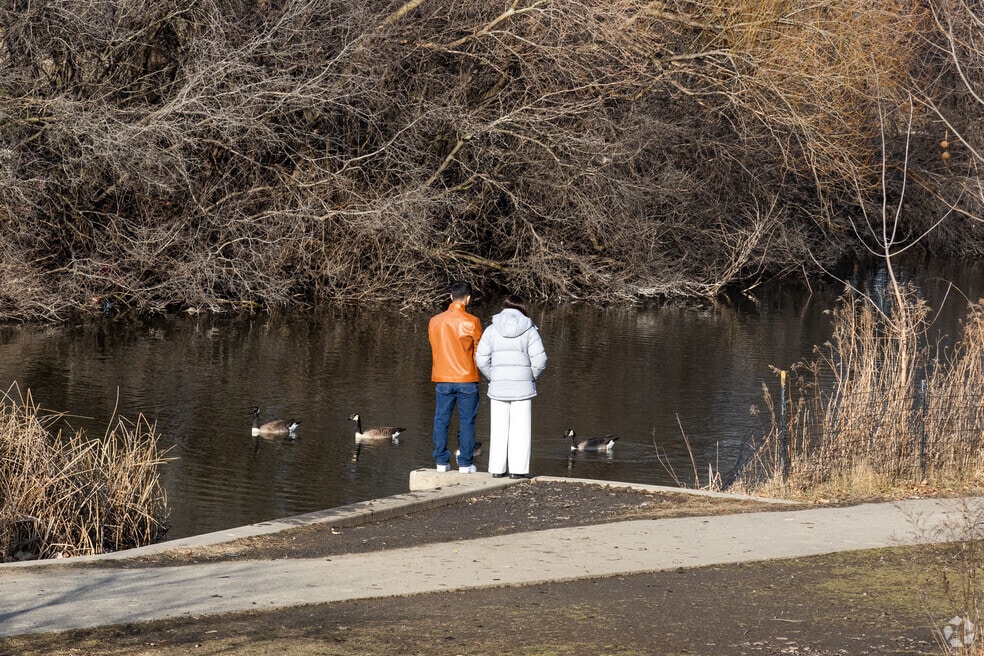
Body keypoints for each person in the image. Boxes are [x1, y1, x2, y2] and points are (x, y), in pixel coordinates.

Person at [475, 295, 547, 479]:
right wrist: (531, 377)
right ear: (522, 309)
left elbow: (481, 359)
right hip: (523, 388)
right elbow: (540, 360)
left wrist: (493, 376)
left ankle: (497, 470)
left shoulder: (491, 329)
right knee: (521, 429)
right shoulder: (530, 329)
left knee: (498, 429)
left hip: (498, 386)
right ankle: (518, 470)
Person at [428, 280, 483, 473]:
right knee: (467, 421)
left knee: (441, 419)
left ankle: (441, 461)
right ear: (468, 299)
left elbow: (435, 347)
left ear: (451, 297)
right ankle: (466, 463)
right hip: (467, 378)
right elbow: (479, 353)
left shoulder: (435, 321)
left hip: (442, 377)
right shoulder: (472, 322)